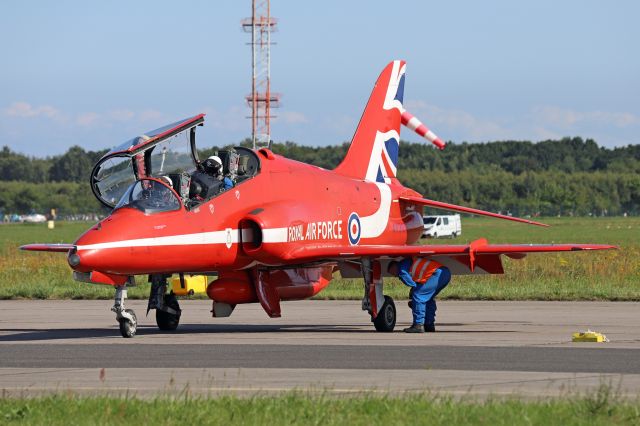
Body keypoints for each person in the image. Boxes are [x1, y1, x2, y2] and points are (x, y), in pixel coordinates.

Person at [388, 258, 452, 333]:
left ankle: (418, 325)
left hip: (436, 273)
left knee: (418, 295)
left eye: (392, 273)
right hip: (443, 273)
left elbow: (403, 274)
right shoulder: (409, 265)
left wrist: (413, 289)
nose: (395, 276)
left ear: (394, 266)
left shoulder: (402, 266)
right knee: (428, 299)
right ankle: (428, 325)